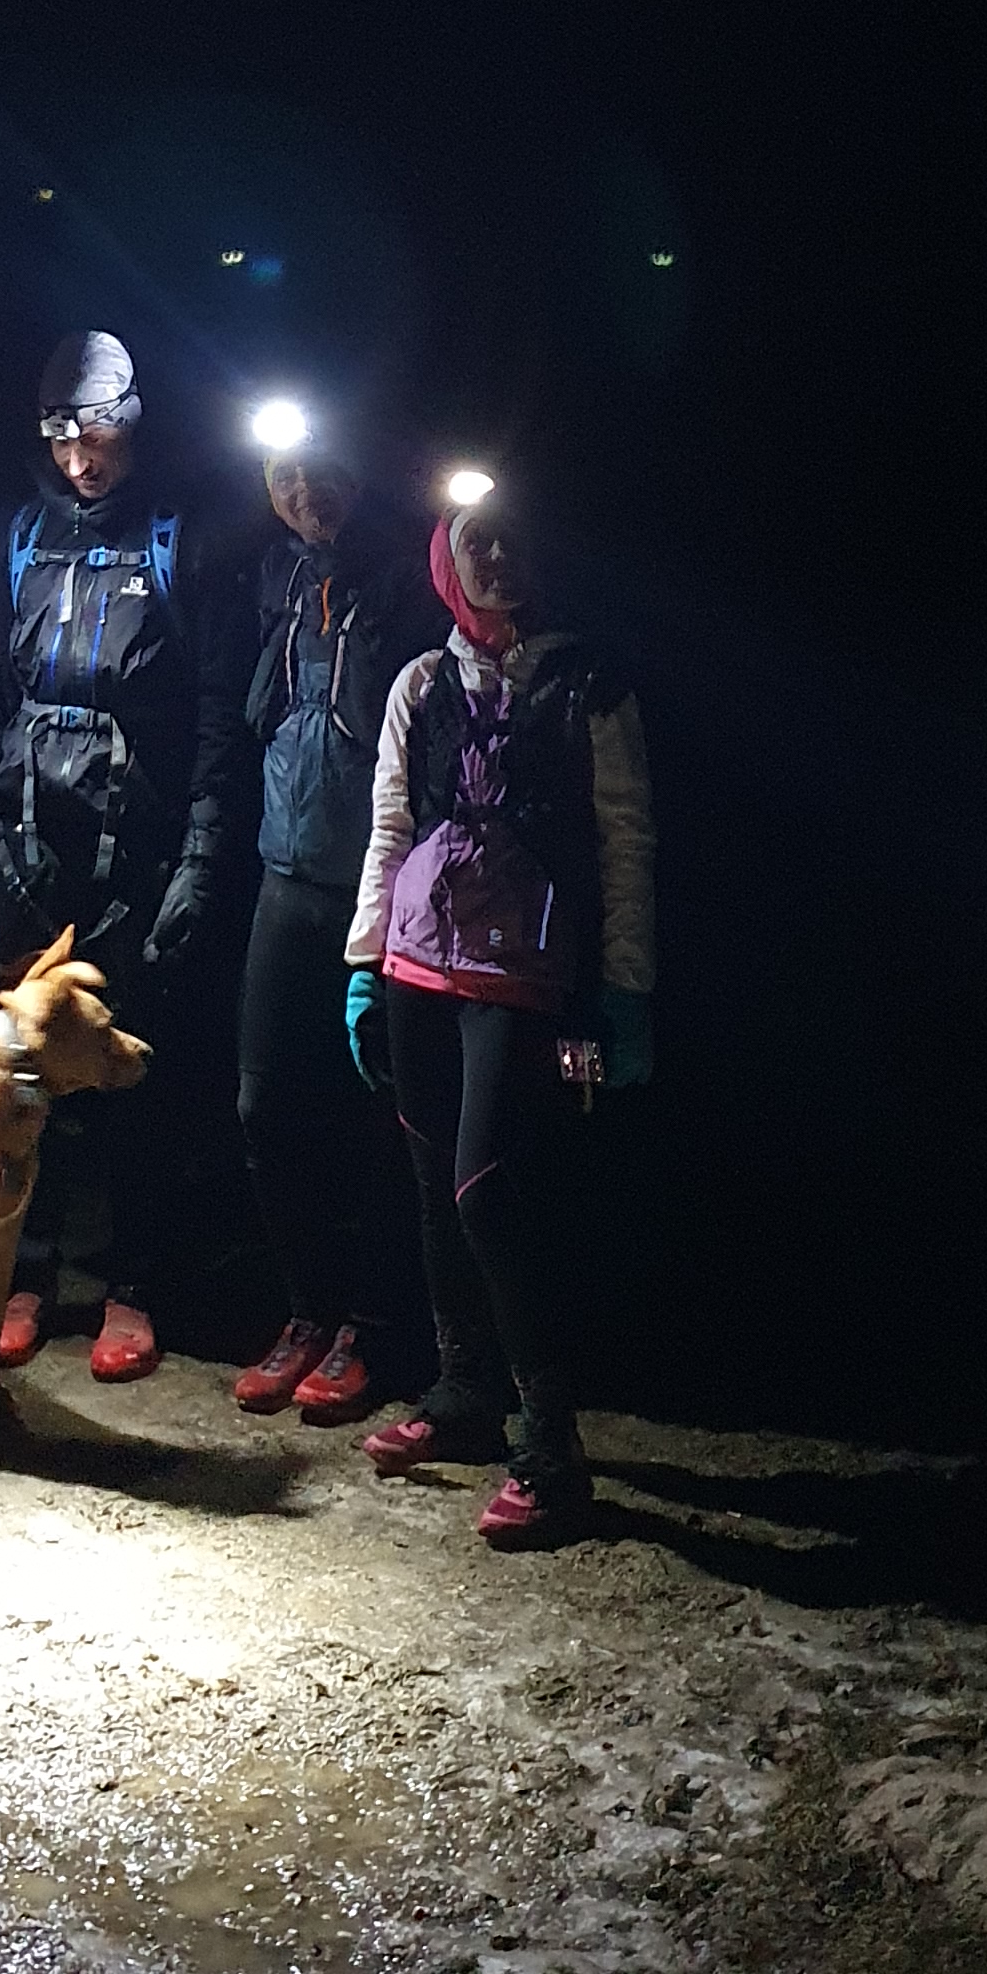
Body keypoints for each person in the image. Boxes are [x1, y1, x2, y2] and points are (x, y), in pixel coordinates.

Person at [344, 486, 655, 1542]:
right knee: (435, 1187)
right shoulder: (422, 681)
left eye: (514, 539)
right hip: (417, 965)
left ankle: (552, 1451)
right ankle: (464, 1395)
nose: (496, 558)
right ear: (448, 556)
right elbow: (391, 823)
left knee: (491, 1196)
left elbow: (625, 843)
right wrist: (362, 961)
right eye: (475, 542)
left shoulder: (589, 687)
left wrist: (627, 990)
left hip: (526, 972)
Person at [0, 328, 247, 1378]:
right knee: (28, 1074)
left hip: (141, 850)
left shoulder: (179, 540)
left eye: (97, 438)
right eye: (62, 440)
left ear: (132, 428)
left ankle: (132, 1285)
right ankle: (24, 1268)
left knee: (133, 1075)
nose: (80, 459)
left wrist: (200, 855)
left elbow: (216, 707)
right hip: (36, 842)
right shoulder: (17, 537)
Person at [229, 415, 444, 1427]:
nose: (305, 490)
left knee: (377, 1119)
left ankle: (373, 1325)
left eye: (325, 472)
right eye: (285, 473)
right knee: (266, 1106)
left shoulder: (406, 582)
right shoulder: (275, 574)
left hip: (380, 883)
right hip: (287, 870)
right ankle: (309, 1308)